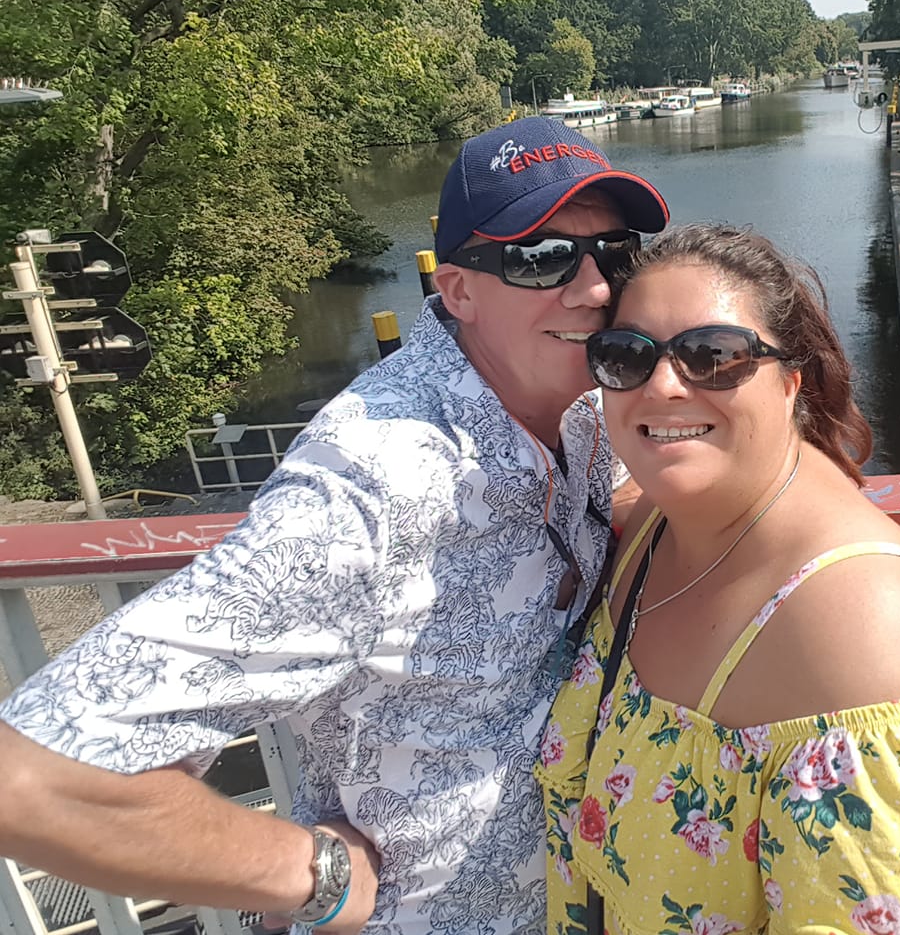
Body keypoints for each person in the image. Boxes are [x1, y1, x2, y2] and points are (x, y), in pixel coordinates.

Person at [0, 115, 668, 935]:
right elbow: (38, 772)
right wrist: (306, 874)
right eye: (542, 258)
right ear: (457, 290)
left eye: (615, 252)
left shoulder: (585, 397)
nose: (596, 287)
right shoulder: (374, 485)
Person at [536, 225, 900, 935]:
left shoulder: (859, 630)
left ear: (792, 381)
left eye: (713, 355)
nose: (662, 384)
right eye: (625, 356)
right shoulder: (655, 526)